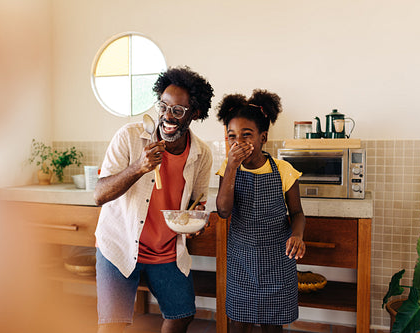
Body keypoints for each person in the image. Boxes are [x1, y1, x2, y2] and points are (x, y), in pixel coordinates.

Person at [93, 66, 214, 333]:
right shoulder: (129, 136)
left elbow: (198, 202)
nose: (167, 116)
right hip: (120, 243)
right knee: (111, 326)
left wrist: (197, 222)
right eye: (163, 106)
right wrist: (139, 167)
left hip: (166, 250)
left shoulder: (202, 154)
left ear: (194, 113)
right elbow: (99, 194)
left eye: (178, 110)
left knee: (182, 315)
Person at [215, 90, 306, 333]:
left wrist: (297, 236)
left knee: (272, 325)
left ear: (262, 137)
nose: (238, 142)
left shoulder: (284, 170)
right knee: (239, 323)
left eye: (247, 135)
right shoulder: (228, 168)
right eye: (232, 136)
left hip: (277, 260)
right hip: (240, 260)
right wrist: (232, 167)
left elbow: (297, 213)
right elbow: (223, 211)